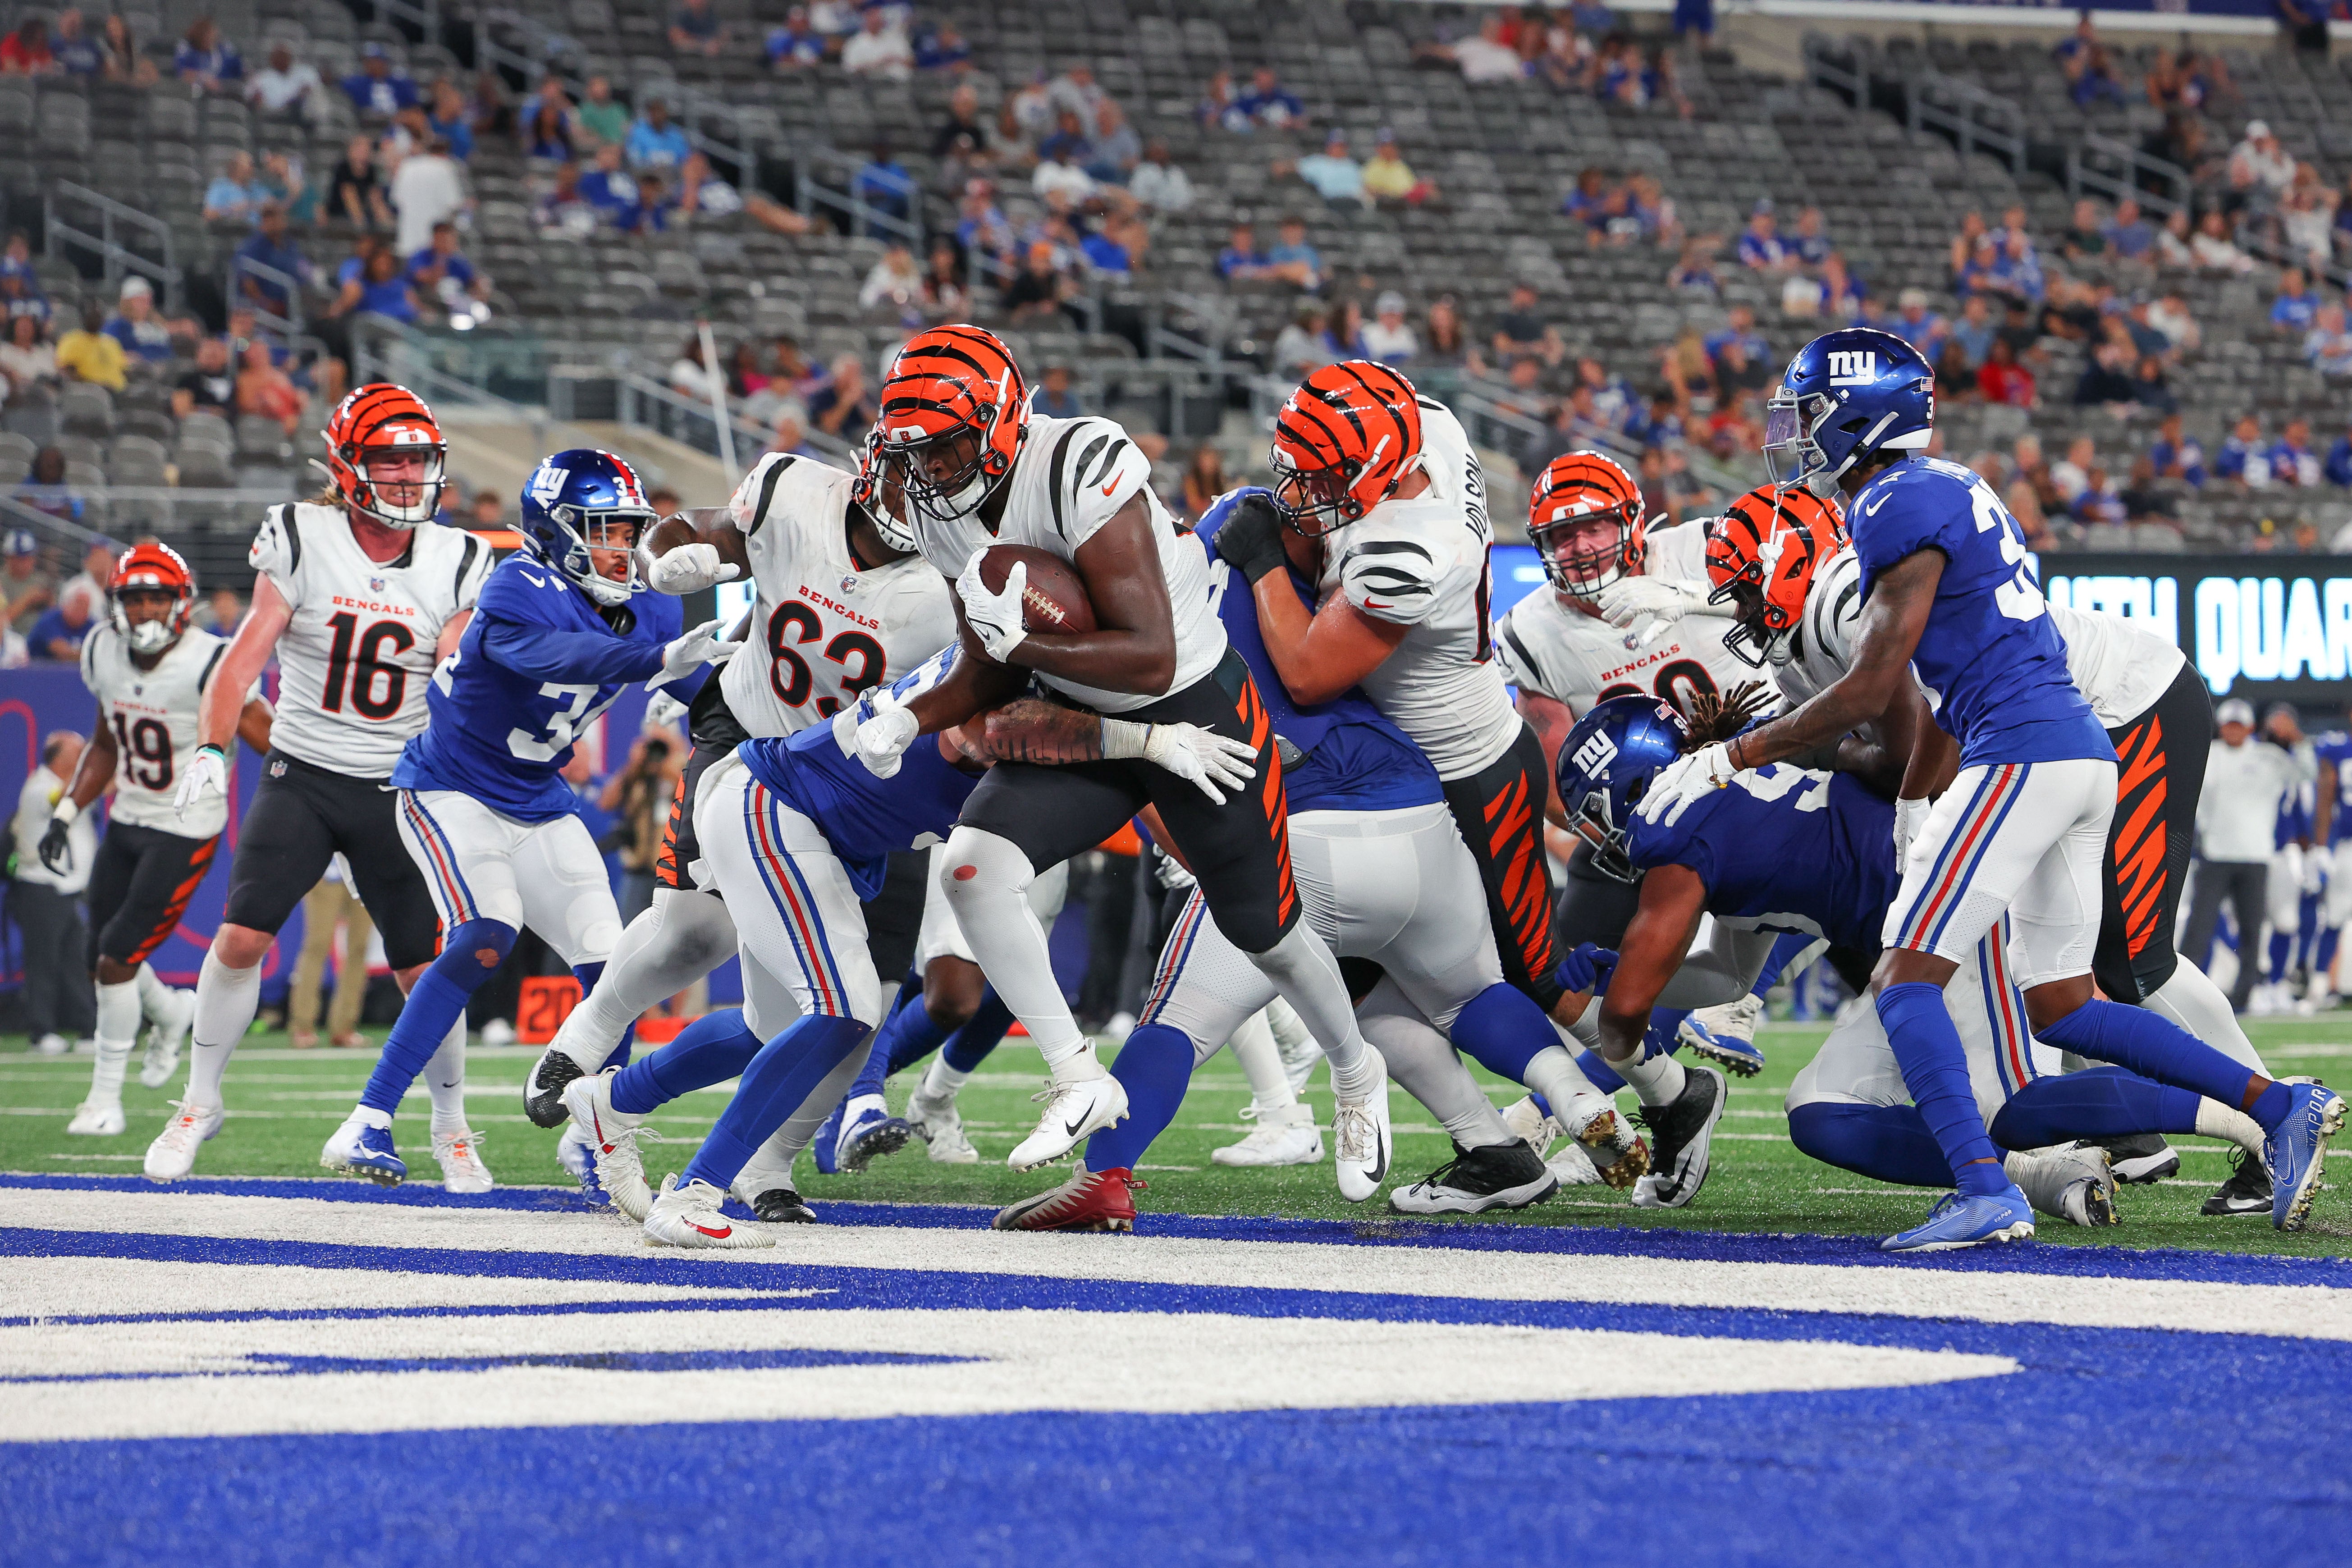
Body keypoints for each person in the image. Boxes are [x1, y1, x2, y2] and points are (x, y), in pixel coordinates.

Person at [1638, 325, 2342, 1241]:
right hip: (2077, 748)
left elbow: (1873, 686)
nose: (1796, 431)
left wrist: (1732, 754)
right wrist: (1906, 801)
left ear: (1859, 412)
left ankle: (1984, 1189)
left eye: (1809, 412)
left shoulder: (1889, 502)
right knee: (2066, 1000)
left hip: (2022, 750)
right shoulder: (1949, 485)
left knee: (1902, 977)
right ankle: (2276, 1102)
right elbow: (1923, 698)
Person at [842, 325, 1397, 1190]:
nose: (930, 471)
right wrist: (908, 718)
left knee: (1268, 931)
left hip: (1193, 705)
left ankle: (1355, 1072)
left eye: (946, 445)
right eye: (915, 453)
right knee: (972, 870)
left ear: (998, 421)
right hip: (1085, 716)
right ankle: (1074, 1072)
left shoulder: (1077, 460)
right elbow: (988, 663)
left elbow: (1148, 653)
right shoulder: (929, 505)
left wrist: (1024, 640)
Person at [1003, 489, 1633, 1229]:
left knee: (1176, 1020)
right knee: (1454, 995)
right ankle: (1552, 1110)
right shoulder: (1259, 542)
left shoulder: (1128, 627)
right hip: (1418, 807)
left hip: (1297, 830)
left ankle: (1105, 1174)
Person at [1706, 480, 2275, 1209]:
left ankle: (2268, 1120)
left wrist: (1771, 752)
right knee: (2049, 972)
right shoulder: (1803, 642)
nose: (1740, 612)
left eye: (1746, 589)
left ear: (1788, 564)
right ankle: (2145, 1131)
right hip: (2027, 743)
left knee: (2129, 959)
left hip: (2120, 705)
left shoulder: (1847, 599)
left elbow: (1914, 738)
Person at [525, 443, 955, 1198]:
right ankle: (585, 1040)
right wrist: (668, 557)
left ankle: (768, 1161)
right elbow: (696, 529)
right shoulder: (796, 492)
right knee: (697, 930)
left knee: (839, 1018)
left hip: (868, 788)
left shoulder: (965, 578)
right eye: (902, 472)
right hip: (754, 743)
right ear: (871, 463)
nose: (914, 495)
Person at [305, 448, 724, 1190]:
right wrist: (655, 658)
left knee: (616, 963)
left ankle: (594, 1132)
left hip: (539, 795)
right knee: (488, 929)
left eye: (630, 533)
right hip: (452, 786)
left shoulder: (652, 604)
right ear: (556, 533)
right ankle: (367, 1117)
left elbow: (704, 686)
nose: (622, 549)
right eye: (604, 532)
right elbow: (560, 654)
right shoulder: (516, 587)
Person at [139, 386, 493, 1185]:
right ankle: (199, 1101)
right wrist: (213, 748)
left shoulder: (459, 554)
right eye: (388, 458)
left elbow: (454, 658)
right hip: (302, 771)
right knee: (241, 936)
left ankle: (450, 1123)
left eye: (418, 458)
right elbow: (245, 653)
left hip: (398, 786)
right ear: (346, 463)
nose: (407, 475)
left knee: (420, 968)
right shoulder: (302, 532)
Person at [1490, 451, 1760, 1071]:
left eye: (1594, 527)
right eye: (1561, 534)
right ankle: (1604, 1101)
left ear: (1634, 522)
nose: (1580, 547)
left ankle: (1740, 995)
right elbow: (1556, 775)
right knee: (1567, 978)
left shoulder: (1701, 549)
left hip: (1763, 780)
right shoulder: (1531, 631)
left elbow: (1795, 604)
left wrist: (1694, 596)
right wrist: (1615, 834)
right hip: (1643, 819)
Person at [41, 544, 269, 1133]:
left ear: (180, 602)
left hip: (186, 824)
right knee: (105, 955)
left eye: (156, 597)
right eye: (133, 597)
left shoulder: (211, 661)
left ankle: (103, 1100)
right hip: (128, 816)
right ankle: (173, 1012)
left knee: (116, 957)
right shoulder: (100, 649)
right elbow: (107, 744)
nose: (144, 610)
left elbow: (278, 744)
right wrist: (66, 814)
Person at [2184, 697, 2301, 1018]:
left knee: (2252, 931)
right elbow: (2194, 801)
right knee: (2199, 927)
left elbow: (2306, 773)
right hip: (2216, 855)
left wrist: (2297, 739)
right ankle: (2183, 993)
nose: (2234, 730)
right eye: (2229, 725)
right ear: (2222, 727)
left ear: (2251, 727)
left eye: (2240, 725)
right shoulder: (2208, 756)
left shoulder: (2269, 756)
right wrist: (2204, 835)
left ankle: (2244, 996)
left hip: (2255, 856)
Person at [9, 732, 96, 1056]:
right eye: (78, 752)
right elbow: (69, 799)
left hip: (68, 890)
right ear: (59, 758)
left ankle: (88, 1029)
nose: (84, 757)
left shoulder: (70, 784)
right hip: (40, 889)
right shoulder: (40, 788)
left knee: (76, 962)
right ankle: (41, 1032)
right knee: (42, 963)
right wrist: (107, 771)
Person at [288, 860, 371, 1048]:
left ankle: (344, 1026)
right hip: (327, 870)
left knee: (359, 949)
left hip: (366, 870)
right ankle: (303, 1026)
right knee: (318, 945)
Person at [341, 43, 416, 117]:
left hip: (397, 120)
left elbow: (413, 105)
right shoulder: (358, 83)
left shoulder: (399, 83)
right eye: (369, 62)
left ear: (384, 63)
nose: (373, 65)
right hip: (369, 123)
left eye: (376, 61)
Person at [172, 335, 236, 420]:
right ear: (198, 355)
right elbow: (181, 411)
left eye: (217, 350)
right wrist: (210, 412)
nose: (212, 352)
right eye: (208, 351)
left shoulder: (236, 383)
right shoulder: (187, 381)